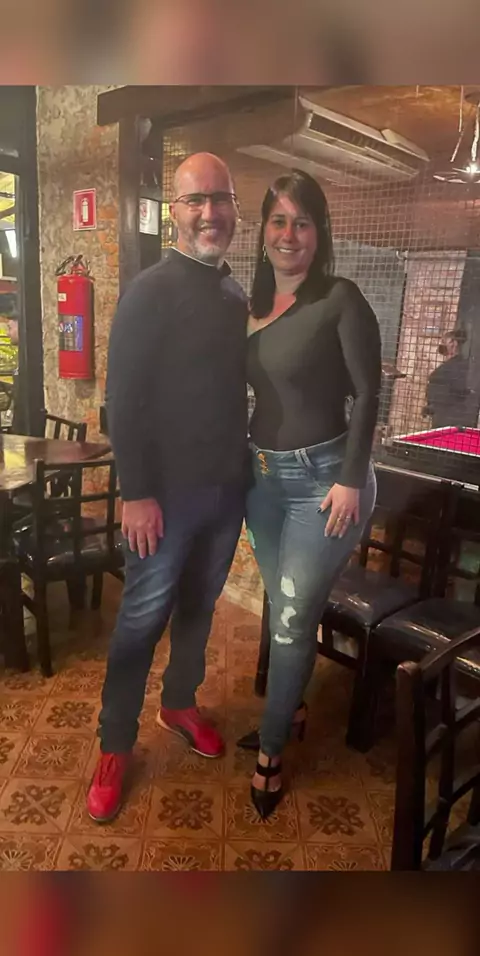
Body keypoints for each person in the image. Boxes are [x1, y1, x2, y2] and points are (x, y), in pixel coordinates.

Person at [87, 152, 249, 823]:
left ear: (234, 207)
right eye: (195, 200)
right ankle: (114, 744)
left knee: (199, 609)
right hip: (162, 499)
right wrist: (137, 492)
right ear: (174, 211)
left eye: (220, 198)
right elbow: (123, 400)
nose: (209, 212)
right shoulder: (148, 291)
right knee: (139, 621)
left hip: (225, 491)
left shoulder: (235, 296)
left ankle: (179, 702)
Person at [238, 169, 382, 819]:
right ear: (263, 231)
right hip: (262, 483)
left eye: (302, 221)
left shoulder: (340, 299)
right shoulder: (253, 305)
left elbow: (369, 392)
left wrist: (351, 476)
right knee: (283, 609)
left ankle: (270, 753)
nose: (289, 234)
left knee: (293, 619)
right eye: (278, 220)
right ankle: (289, 710)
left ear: (319, 232)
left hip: (325, 483)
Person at [423, 329, 474, 429]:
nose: (441, 345)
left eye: (444, 341)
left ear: (453, 343)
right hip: (442, 414)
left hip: (449, 418)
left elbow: (458, 389)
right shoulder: (450, 365)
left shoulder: (458, 365)